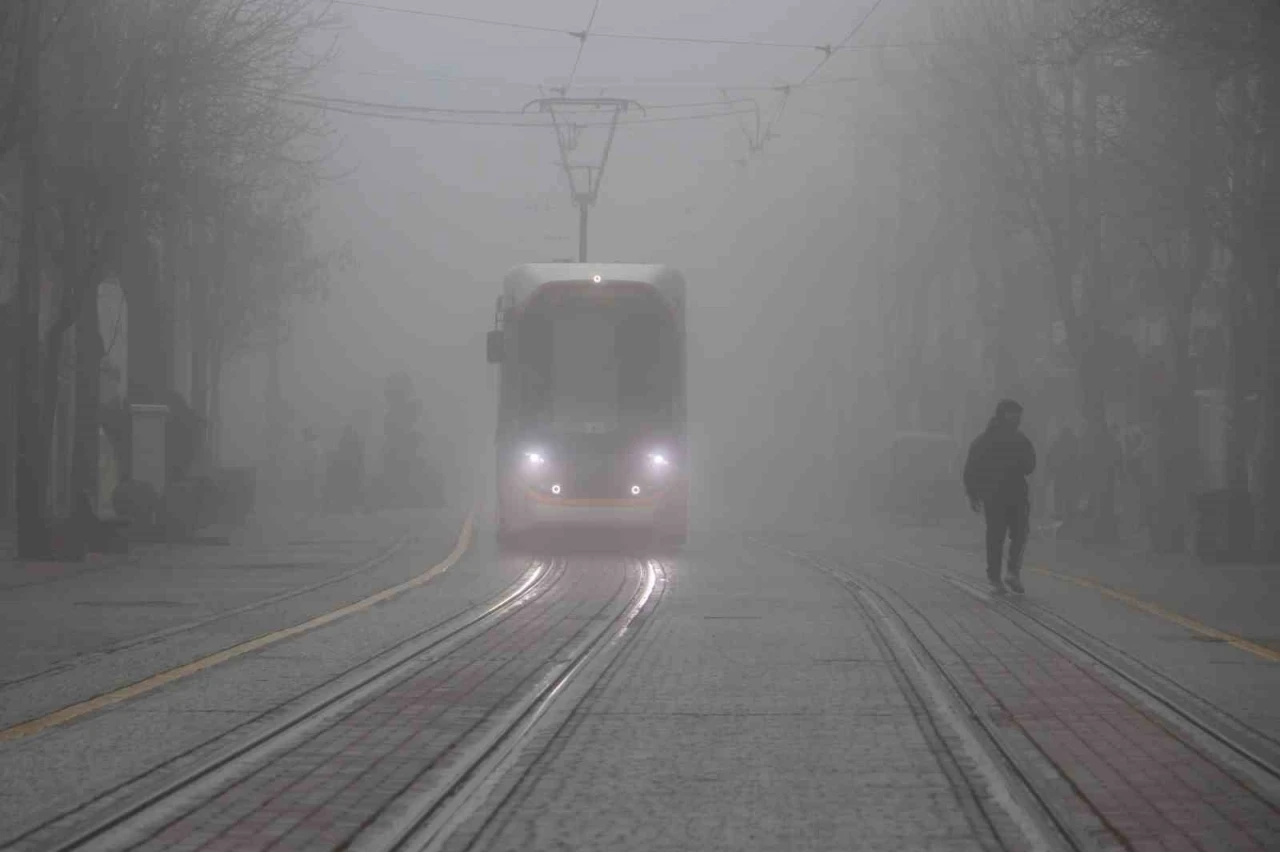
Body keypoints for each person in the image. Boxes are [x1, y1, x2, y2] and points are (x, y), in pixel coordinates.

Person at [963, 399, 1037, 593]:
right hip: (999, 495)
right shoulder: (990, 440)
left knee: (1013, 534)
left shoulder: (1016, 439)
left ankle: (1007, 574)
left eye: (1018, 415)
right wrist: (973, 493)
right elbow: (972, 468)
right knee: (1002, 535)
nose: (1017, 419)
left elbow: (1030, 465)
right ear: (1003, 414)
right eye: (1014, 414)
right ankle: (1001, 575)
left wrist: (973, 494)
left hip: (1010, 495)